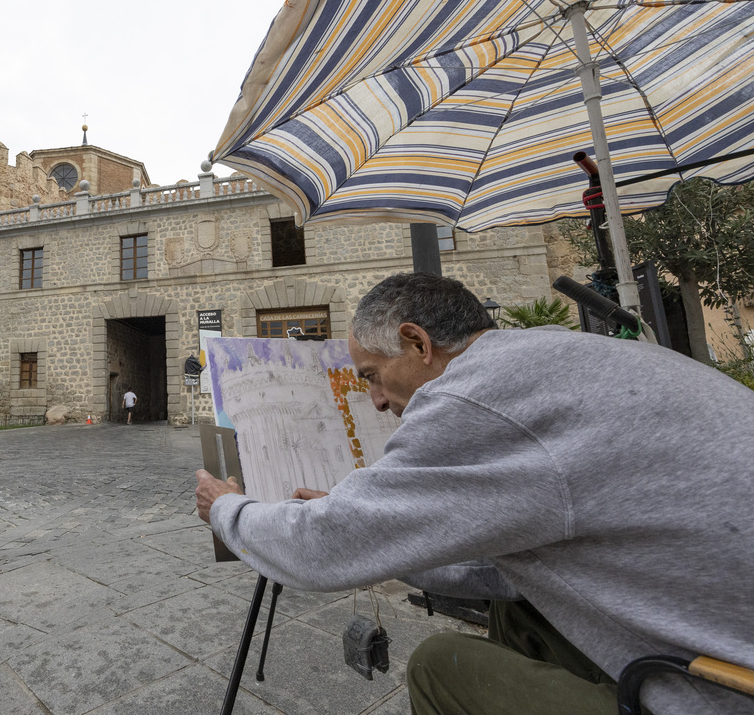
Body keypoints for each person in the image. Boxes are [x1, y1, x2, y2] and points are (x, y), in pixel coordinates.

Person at [195, 273, 754, 715]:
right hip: (712, 621)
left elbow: (319, 549)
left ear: (417, 343)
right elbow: (509, 566)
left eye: (370, 375)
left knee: (442, 665)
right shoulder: (556, 357)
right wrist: (390, 537)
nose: (376, 401)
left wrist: (225, 508)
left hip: (722, 685)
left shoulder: (474, 399)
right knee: (521, 608)